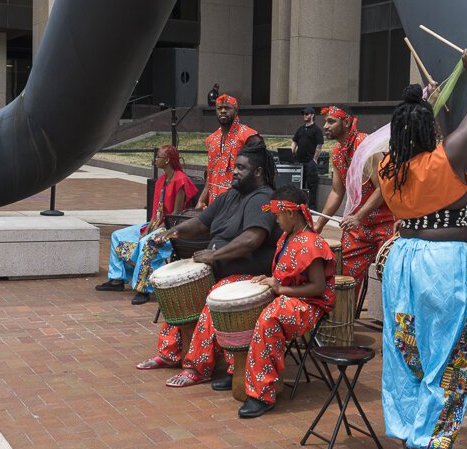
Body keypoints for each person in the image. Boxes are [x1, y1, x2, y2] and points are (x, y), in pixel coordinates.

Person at [377, 50, 467, 449]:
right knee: (448, 360)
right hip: (442, 267)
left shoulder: (386, 167)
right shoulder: (446, 160)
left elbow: (419, 132)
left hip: (402, 260)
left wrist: (428, 104)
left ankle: (409, 447)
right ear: (429, 131)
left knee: (408, 357)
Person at [139, 144, 282, 387]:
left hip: (249, 275)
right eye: (234, 167)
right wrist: (172, 231)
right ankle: (171, 353)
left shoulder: (263, 199)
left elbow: (252, 239)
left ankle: (198, 367)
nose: (234, 172)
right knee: (182, 294)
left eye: (241, 168)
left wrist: (215, 255)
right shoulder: (230, 195)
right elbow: (201, 223)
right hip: (220, 269)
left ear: (258, 172)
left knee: (211, 300)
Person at [239, 184, 336, 418]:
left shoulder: (311, 243)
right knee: (240, 299)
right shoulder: (286, 237)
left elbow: (318, 287)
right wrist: (269, 281)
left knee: (269, 319)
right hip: (288, 297)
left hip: (309, 305)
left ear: (291, 213)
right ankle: (237, 373)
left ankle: (262, 394)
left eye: (278, 216)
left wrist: (280, 289)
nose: (276, 221)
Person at [96, 145, 198, 305]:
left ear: (167, 160)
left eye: (158, 157)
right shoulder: (161, 181)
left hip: (171, 228)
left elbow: (175, 215)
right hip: (156, 223)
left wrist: (152, 232)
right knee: (118, 235)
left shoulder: (180, 180)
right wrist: (148, 229)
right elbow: (156, 213)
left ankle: (143, 289)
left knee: (147, 243)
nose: (155, 159)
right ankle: (117, 279)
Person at [313, 105, 396, 300]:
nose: (325, 126)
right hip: (359, 227)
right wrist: (319, 225)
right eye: (325, 122)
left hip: (386, 223)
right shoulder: (337, 152)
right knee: (344, 276)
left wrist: (358, 216)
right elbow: (336, 192)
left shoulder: (366, 146)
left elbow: (383, 188)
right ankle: (346, 315)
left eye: (331, 121)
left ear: (347, 122)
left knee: (392, 275)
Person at [195, 94, 260, 209]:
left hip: (239, 201)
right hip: (215, 202)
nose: (223, 111)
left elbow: (260, 171)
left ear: (236, 110)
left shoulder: (248, 136)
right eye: (219, 108)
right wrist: (201, 200)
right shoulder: (211, 139)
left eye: (227, 107)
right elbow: (210, 173)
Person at [291, 106, 324, 209]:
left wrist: (314, 160)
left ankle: (312, 208)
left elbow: (319, 146)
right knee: (299, 185)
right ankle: (298, 206)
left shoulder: (317, 130)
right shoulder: (300, 129)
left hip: (310, 163)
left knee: (311, 186)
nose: (304, 116)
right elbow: (294, 142)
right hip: (299, 162)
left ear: (312, 115)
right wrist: (291, 153)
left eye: (307, 114)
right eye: (303, 114)